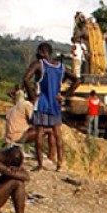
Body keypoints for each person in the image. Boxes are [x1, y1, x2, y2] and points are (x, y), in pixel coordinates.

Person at [23, 42, 79, 171]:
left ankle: (40, 164)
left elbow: (26, 79)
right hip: (55, 102)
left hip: (42, 101)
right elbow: (77, 80)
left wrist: (32, 96)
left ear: (42, 52)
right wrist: (65, 95)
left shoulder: (39, 64)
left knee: (40, 132)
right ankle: (60, 164)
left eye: (38, 52)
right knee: (57, 133)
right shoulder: (61, 67)